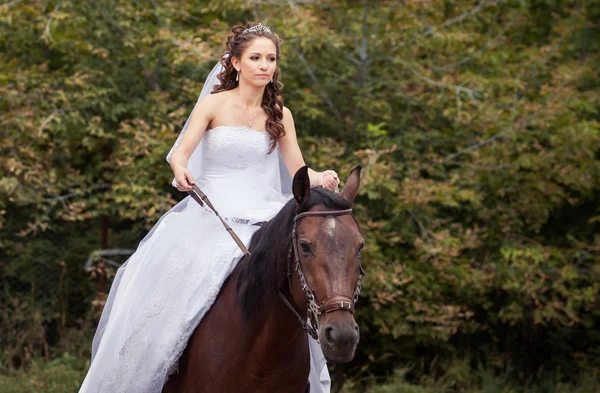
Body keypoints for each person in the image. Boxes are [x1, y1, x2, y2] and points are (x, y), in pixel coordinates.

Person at [79, 22, 339, 393]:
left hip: (265, 214)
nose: (264, 65)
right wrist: (181, 169)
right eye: (255, 58)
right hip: (213, 212)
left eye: (271, 58)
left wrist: (321, 176)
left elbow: (298, 169)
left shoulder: (280, 113)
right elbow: (180, 154)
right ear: (235, 62)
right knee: (178, 288)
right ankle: (155, 370)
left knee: (303, 281)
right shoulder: (214, 104)